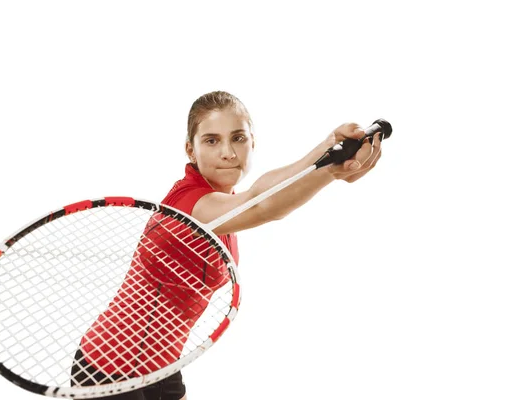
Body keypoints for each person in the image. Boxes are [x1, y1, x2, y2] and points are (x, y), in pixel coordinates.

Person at [72, 90, 383, 400]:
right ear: (189, 150)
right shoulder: (188, 205)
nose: (228, 153)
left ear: (252, 143)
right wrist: (328, 169)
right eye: (211, 141)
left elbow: (263, 193)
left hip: (164, 363)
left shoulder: (224, 203)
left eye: (238, 138)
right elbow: (262, 204)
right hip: (108, 371)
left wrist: (329, 149)